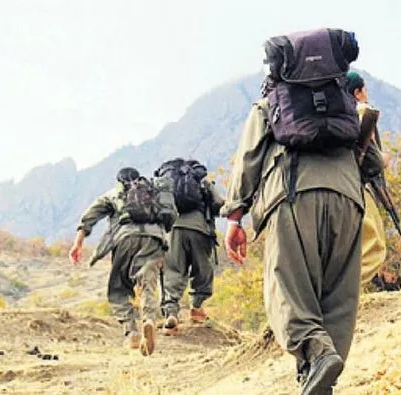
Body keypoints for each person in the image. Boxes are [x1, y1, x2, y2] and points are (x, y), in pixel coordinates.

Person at [222, 28, 363, 394]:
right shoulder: (346, 100)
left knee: (286, 288)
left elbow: (249, 158)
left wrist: (235, 217)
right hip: (349, 201)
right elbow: (374, 160)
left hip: (294, 195)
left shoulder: (271, 103)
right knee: (337, 297)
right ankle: (321, 379)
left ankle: (316, 356)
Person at [69, 167, 176, 356]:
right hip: (154, 239)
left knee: (118, 289)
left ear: (119, 181)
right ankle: (149, 319)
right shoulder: (153, 193)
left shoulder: (115, 193)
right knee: (147, 283)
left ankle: (132, 332)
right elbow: (171, 216)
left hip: (125, 239)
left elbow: (90, 217)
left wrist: (78, 243)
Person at [157, 158, 224, 332]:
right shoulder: (201, 180)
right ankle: (197, 308)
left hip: (173, 230)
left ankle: (171, 312)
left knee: (173, 270)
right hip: (199, 228)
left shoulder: (169, 182)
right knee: (201, 268)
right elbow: (218, 203)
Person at [345, 71, 388, 286]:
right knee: (374, 247)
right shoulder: (361, 113)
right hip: (354, 187)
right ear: (357, 92)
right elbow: (373, 163)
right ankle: (343, 296)